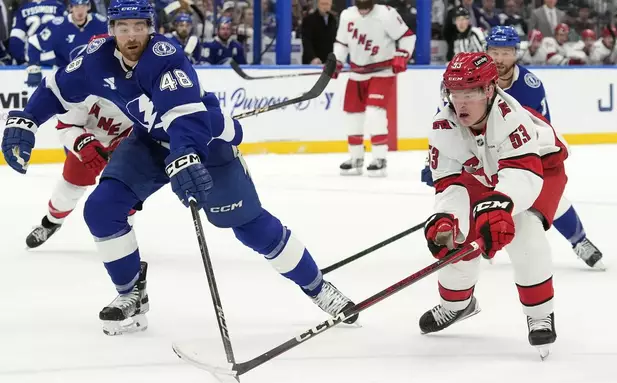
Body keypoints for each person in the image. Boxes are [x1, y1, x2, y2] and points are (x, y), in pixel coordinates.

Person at [2, 0, 358, 336]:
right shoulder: (95, 58)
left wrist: (186, 154)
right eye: (122, 27)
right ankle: (131, 295)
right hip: (149, 143)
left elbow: (184, 118)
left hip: (202, 141)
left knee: (247, 224)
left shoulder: (165, 56)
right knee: (102, 208)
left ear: (150, 28)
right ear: (111, 28)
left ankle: (318, 288)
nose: (130, 35)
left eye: (138, 27)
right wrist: (26, 118)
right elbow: (56, 89)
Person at [420, 52, 568, 359]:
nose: (460, 102)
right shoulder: (443, 125)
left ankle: (540, 313)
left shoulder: (512, 118)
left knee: (525, 233)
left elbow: (523, 177)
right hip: (486, 171)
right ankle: (456, 305)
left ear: (489, 90)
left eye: (470, 93)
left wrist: (498, 205)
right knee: (455, 241)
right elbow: (449, 184)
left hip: (539, 170)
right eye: (455, 93)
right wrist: (447, 217)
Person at [484, 26, 604, 269]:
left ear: (516, 53)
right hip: (482, 153)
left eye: (505, 52)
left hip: (519, 153)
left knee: (548, 194)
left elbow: (541, 132)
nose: (499, 58)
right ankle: (474, 243)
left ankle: (578, 240)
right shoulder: (475, 78)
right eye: (494, 51)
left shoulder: (530, 86)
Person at [25, 95, 134, 248]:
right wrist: (81, 143)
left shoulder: (148, 82)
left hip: (128, 141)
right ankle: (51, 223)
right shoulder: (86, 81)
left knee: (127, 192)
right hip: (88, 142)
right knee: (69, 189)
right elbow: (66, 126)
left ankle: (124, 238)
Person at [333, 0, 415, 177]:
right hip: (356, 72)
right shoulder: (347, 15)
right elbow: (342, 43)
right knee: (352, 114)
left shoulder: (386, 14)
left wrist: (403, 54)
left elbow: (407, 36)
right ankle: (356, 158)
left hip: (382, 72)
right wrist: (337, 61)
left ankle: (379, 158)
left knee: (374, 112)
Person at [25, 0, 108, 87]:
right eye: (76, 7)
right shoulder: (57, 26)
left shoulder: (101, 24)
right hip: (64, 77)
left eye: (83, 6)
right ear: (70, 8)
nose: (80, 11)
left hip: (95, 77)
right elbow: (34, 42)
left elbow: (116, 44)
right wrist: (33, 67)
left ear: (89, 7)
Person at [8, 0, 65, 65]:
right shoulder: (59, 6)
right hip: (54, 58)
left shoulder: (23, 9)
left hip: (31, 56)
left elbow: (15, 39)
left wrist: (22, 59)